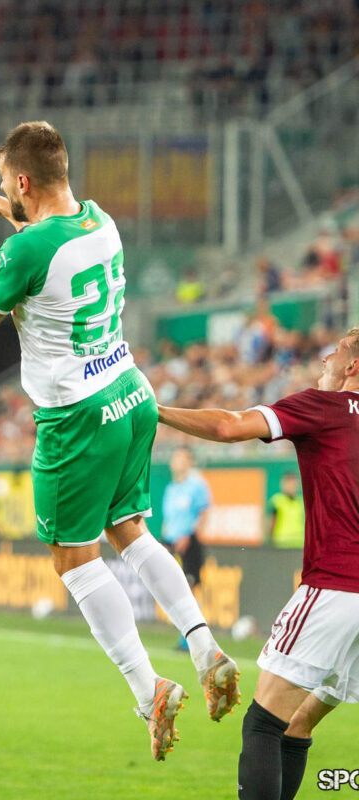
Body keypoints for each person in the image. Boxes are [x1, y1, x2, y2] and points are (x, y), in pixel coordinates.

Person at [0, 120, 239, 761]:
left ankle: (148, 689)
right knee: (130, 531)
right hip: (131, 392)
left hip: (77, 414)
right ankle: (203, 644)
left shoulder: (26, 249)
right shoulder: (99, 221)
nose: (6, 191)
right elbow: (53, 242)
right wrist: (10, 214)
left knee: (74, 560)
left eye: (6, 184)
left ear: (22, 181)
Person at [157, 327, 359, 800]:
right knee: (298, 720)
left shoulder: (325, 406)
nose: (323, 360)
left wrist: (154, 410)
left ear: (352, 366)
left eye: (333, 354)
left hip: (338, 585)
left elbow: (229, 427)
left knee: (263, 722)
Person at [161, 447, 211, 650]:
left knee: (189, 590)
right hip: (172, 542)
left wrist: (190, 535)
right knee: (176, 590)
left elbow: (203, 513)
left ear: (189, 462)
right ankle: (187, 635)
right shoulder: (171, 488)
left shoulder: (197, 485)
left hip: (189, 544)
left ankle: (192, 638)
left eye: (181, 458)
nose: (176, 461)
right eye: (175, 457)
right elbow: (169, 518)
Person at [268, 473, 305, 548]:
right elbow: (272, 522)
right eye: (289, 484)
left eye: (293, 484)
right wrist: (270, 539)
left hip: (298, 543)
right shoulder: (277, 501)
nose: (291, 487)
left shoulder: (301, 501)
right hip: (281, 543)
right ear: (283, 485)